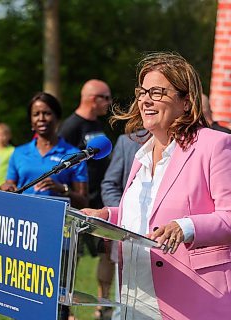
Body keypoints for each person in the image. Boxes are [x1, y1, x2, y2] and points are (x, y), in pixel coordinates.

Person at [82, 52, 231, 319]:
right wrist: (107, 216)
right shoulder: (141, 154)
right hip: (136, 293)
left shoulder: (217, 145)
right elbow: (149, 214)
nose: (145, 100)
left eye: (157, 92)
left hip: (199, 301)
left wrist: (184, 227)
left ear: (186, 102)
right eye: (142, 92)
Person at [59, 79, 113, 317]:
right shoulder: (71, 126)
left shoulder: (98, 125)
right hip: (80, 204)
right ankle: (65, 308)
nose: (110, 103)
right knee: (72, 258)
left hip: (101, 201)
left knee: (107, 251)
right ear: (93, 98)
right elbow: (63, 165)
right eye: (107, 98)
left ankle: (103, 305)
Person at [0, 92, 88, 207]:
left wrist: (62, 189)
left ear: (57, 118)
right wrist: (5, 187)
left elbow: (84, 202)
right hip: (23, 217)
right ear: (31, 121)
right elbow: (10, 184)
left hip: (56, 220)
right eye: (36, 114)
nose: (41, 118)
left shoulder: (74, 155)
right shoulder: (18, 152)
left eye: (47, 113)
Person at [100, 132, 143, 320]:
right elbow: (109, 184)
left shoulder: (184, 142)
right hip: (129, 239)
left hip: (171, 245)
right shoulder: (127, 141)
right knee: (124, 310)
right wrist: (124, 216)